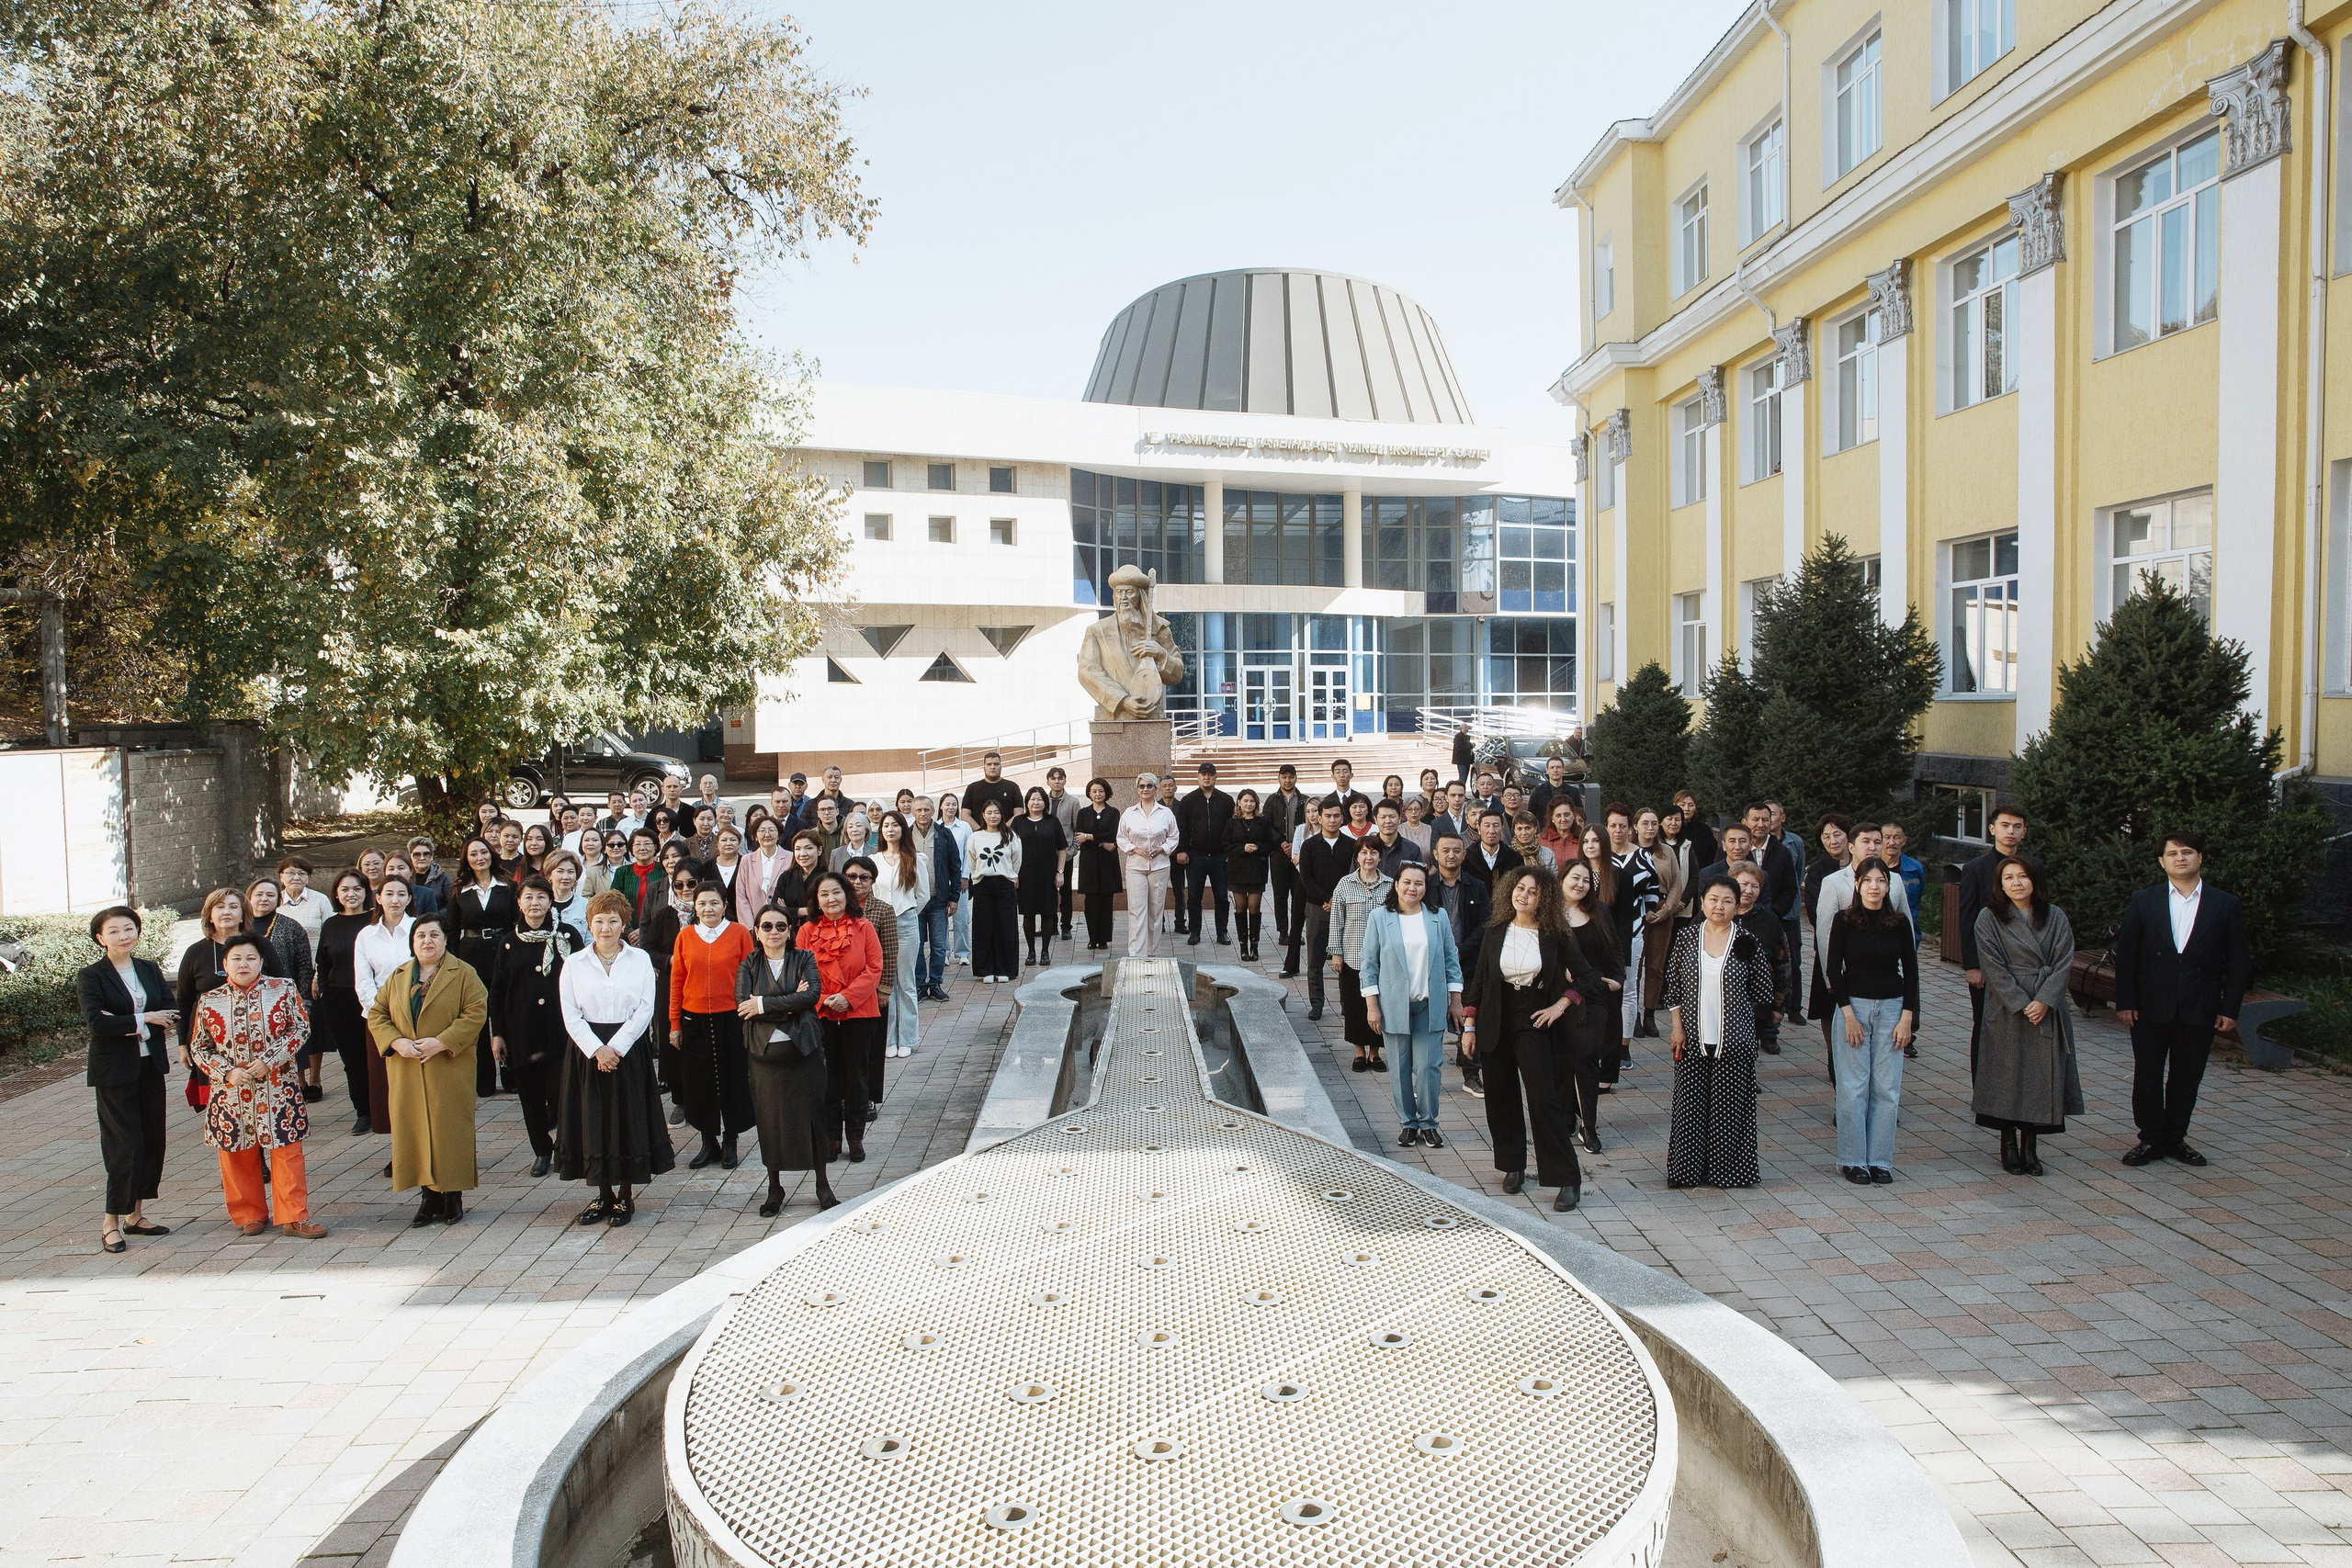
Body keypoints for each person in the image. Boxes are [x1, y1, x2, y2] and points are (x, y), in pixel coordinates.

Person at [2113, 830, 2253, 1168]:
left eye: (2187, 852)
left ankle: (2175, 1138)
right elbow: (2126, 953)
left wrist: (2229, 1008)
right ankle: (2149, 1139)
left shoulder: (2224, 904)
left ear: (2200, 858)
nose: (2180, 858)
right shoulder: (2144, 900)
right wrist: (2126, 1001)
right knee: (2147, 1074)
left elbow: (2239, 962)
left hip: (2199, 1008)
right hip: (2149, 1007)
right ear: (2161, 862)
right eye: (2172, 853)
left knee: (2186, 1076)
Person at [1460, 864, 1590, 1211]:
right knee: (1500, 1095)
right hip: (1495, 1017)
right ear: (1509, 891)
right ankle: (1513, 1165)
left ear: (1544, 897)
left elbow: (1586, 978)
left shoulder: (1555, 934)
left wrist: (1561, 1005)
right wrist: (1469, 1026)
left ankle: (1566, 1179)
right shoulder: (1495, 930)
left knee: (1543, 1100)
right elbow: (1480, 983)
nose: (1524, 895)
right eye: (1519, 888)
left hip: (1534, 1019)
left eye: (1533, 891)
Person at [190, 932, 325, 1238]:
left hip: (278, 1088)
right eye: (236, 959)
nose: (243, 964)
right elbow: (200, 1047)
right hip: (231, 1092)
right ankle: (248, 1214)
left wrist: (270, 1059)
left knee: (287, 1152)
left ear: (261, 962)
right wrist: (226, 1072)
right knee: (236, 1153)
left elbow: (300, 1028)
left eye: (251, 958)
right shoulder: (210, 1000)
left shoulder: (283, 989)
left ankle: (293, 1217)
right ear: (225, 964)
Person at [558, 890, 674, 1225]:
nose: (606, 928)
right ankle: (602, 1195)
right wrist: (597, 1049)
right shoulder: (574, 963)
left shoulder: (639, 960)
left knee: (627, 1117)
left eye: (613, 921)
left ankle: (625, 1196)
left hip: (628, 1048)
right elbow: (570, 1013)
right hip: (587, 1051)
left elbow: (644, 1010)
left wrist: (616, 1048)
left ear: (624, 924)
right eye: (599, 921)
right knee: (593, 1120)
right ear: (589, 925)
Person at [366, 912, 488, 1225]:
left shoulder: (463, 973)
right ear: (412, 941)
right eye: (421, 936)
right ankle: (427, 1197)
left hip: (448, 1065)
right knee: (414, 1130)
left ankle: (452, 1195)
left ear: (446, 939)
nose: (427, 941)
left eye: (434, 935)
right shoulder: (399, 976)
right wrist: (396, 1042)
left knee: (449, 1130)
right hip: (407, 1067)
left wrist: (443, 1041)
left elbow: (475, 1013)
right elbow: (377, 1013)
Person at [1662, 876, 1777, 1190]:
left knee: (1729, 1109)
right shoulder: (1686, 938)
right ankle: (1687, 1172)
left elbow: (1763, 990)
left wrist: (1737, 1017)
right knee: (1690, 1107)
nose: (1719, 906)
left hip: (1735, 1040)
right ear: (1702, 902)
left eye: (1727, 901)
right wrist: (1677, 1027)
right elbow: (1672, 989)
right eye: (1713, 899)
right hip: (1691, 1038)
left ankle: (1726, 1172)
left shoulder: (1746, 941)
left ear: (1737, 905)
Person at [1972, 856, 2083, 1178]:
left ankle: (2031, 1145)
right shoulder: (1989, 917)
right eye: (2009, 878)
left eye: (2022, 876)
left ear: (2035, 880)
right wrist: (2022, 1002)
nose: (2017, 883)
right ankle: (2007, 1143)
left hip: (2046, 1007)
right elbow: (1992, 966)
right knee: (2008, 1076)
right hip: (2008, 1008)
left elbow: (2064, 961)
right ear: (2000, 884)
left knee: (2039, 1077)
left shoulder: (2056, 916)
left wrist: (2045, 1000)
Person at [77, 906, 175, 1254]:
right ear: (101, 938)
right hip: (114, 1073)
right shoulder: (92, 976)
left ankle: (135, 1215)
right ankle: (110, 1223)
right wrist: (144, 1017)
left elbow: (170, 1008)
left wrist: (126, 1020)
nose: (124, 935)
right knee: (125, 1145)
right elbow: (97, 1024)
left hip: (150, 1067)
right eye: (115, 931)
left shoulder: (148, 969)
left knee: (152, 1141)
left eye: (129, 928)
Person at [736, 903, 839, 1215]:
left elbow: (811, 996)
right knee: (770, 1121)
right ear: (756, 931)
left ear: (790, 930)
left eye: (781, 926)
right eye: (767, 927)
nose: (774, 932)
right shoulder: (749, 964)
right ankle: (774, 1188)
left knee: (812, 1116)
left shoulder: (803, 957)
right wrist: (790, 1000)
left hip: (803, 1051)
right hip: (764, 1056)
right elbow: (742, 1005)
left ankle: (822, 1185)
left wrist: (764, 1004)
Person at [1824, 861, 1920, 1185]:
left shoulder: (1899, 923)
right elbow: (1833, 971)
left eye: (1881, 881)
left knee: (1887, 1088)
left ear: (1889, 886)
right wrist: (1848, 1014)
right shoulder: (1845, 920)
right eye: (1868, 881)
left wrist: (1908, 1016)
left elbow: (1912, 972)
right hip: (1854, 1009)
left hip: (1892, 1009)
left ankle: (1879, 1160)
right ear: (1857, 884)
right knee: (1853, 1087)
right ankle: (1853, 1160)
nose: (1875, 887)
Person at [1360, 863, 1464, 1148]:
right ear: (1396, 884)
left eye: (1419, 883)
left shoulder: (1437, 917)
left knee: (1428, 1066)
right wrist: (1372, 1006)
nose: (1412, 888)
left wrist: (1456, 1001)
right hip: (1393, 1005)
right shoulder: (1380, 918)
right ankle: (1408, 1123)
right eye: (1406, 882)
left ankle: (1429, 1123)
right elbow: (1369, 964)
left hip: (1429, 1005)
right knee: (1400, 1067)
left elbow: (1451, 959)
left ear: (1425, 888)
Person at [487, 874, 583, 1179]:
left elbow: (583, 980)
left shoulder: (566, 936)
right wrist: (498, 1034)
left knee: (563, 1093)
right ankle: (542, 1150)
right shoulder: (507, 943)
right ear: (519, 902)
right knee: (530, 1097)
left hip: (561, 1030)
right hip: (522, 1032)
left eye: (541, 897)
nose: (535, 903)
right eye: (528, 897)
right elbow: (498, 993)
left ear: (550, 900)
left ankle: (567, 1149)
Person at [669, 883, 756, 1170]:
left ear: (724, 905)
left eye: (714, 903)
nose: (708, 909)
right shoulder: (685, 936)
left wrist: (749, 1013)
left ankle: (731, 1141)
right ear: (694, 906)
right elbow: (677, 980)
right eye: (703, 903)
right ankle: (709, 1143)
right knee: (699, 1083)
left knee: (733, 1078)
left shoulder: (740, 933)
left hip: (731, 1017)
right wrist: (674, 1023)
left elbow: (750, 975)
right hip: (694, 1019)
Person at [798, 870, 882, 1164]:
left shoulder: (864, 927)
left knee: (857, 1078)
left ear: (847, 895)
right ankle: (831, 1137)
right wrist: (824, 999)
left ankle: (856, 1137)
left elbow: (874, 969)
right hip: (820, 1013)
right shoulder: (807, 931)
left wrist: (847, 997)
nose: (832, 898)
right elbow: (802, 974)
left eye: (836, 892)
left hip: (859, 1013)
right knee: (827, 1079)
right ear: (816, 901)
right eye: (824, 894)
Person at [175, 886, 280, 1101]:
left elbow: (280, 987)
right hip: (211, 1040)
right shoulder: (195, 952)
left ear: (243, 914)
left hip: (260, 1037)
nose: (227, 912)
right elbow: (184, 1001)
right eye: (220, 907)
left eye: (234, 907)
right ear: (209, 914)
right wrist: (182, 1045)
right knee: (220, 1100)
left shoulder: (260, 946)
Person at [1957, 804, 2033, 1072]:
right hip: (1987, 964)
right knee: (1985, 1024)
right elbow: (1966, 919)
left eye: (2016, 826)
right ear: (1992, 829)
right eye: (2004, 825)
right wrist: (1972, 965)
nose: (2010, 831)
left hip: (2025, 964)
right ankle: (1982, 1089)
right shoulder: (1976, 868)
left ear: (2024, 832)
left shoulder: (2032, 868)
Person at [1558, 860, 1623, 1153]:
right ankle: (1566, 1118)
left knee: (1586, 1055)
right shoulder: (1551, 914)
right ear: (1562, 879)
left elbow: (1616, 947)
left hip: (1596, 992)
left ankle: (1589, 1125)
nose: (1580, 885)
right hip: (1559, 995)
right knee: (1563, 1057)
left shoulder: (1600, 911)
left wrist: (1617, 980)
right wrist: (1561, 972)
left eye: (1586, 880)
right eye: (1575, 878)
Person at [449, 835, 518, 1098]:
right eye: (473, 854)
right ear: (467, 860)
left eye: (484, 852)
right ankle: (484, 1082)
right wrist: (454, 965)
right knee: (477, 1018)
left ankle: (511, 1077)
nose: (480, 858)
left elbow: (515, 923)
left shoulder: (508, 886)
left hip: (502, 953)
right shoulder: (459, 890)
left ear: (492, 854)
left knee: (504, 1012)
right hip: (471, 958)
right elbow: (452, 932)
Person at [1425, 833, 1491, 1098]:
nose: (1451, 855)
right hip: (1431, 964)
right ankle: (1427, 1074)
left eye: (1457, 850)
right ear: (1435, 854)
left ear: (1464, 855)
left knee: (1470, 1019)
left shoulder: (1477, 886)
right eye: (1446, 850)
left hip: (1468, 963)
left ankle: (1471, 1074)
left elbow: (1485, 923)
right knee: (1431, 1021)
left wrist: (1459, 952)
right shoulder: (1425, 886)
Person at [314, 869, 377, 1134]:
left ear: (366, 892)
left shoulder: (376, 921)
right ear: (336, 894)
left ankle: (384, 1108)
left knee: (376, 1056)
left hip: (375, 998)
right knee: (352, 1059)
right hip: (340, 999)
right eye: (345, 890)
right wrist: (327, 994)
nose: (351, 894)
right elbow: (323, 961)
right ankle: (363, 1112)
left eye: (356, 889)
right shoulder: (331, 924)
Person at [245, 876, 320, 1100]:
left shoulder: (290, 927)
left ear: (279, 899)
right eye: (259, 894)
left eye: (270, 895)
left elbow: (305, 966)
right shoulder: (241, 928)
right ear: (248, 898)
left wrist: (304, 1000)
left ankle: (297, 1089)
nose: (264, 899)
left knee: (287, 1052)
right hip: (247, 1001)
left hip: (281, 1000)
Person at [1328, 837, 1394, 1074]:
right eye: (1364, 853)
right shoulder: (1345, 884)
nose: (1369, 857)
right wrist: (1336, 952)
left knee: (1379, 1005)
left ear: (1379, 856)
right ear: (1357, 857)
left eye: (1374, 853)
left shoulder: (1390, 885)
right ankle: (1359, 1051)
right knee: (1355, 1004)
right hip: (1353, 956)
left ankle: (1375, 1052)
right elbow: (1336, 921)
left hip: (1383, 959)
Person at [870, 810, 929, 1055]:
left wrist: (908, 914)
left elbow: (923, 895)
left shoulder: (915, 859)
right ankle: (888, 1039)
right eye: (886, 825)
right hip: (880, 925)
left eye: (895, 825)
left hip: (905, 922)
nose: (890, 829)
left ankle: (907, 1038)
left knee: (905, 982)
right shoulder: (874, 860)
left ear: (903, 829)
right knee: (885, 983)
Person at [1114, 773, 1180, 961]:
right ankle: (1136, 953)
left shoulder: (1166, 813)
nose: (1145, 789)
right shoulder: (1129, 813)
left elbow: (1174, 836)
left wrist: (1162, 849)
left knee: (1156, 910)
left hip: (1159, 865)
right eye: (1141, 786)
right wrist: (1134, 848)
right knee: (1136, 910)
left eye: (1150, 786)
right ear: (1137, 789)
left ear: (1156, 788)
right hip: (1136, 865)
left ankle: (1152, 952)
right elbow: (1121, 837)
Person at [1297, 800, 1352, 1021]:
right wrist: (1328, 899)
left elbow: (1353, 875)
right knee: (1315, 958)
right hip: (1317, 907)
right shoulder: (1309, 846)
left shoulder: (1351, 845)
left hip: (1347, 908)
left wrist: (1339, 900)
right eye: (1327, 816)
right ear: (1319, 818)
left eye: (1336, 816)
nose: (1332, 820)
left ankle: (1347, 1004)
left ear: (1342, 818)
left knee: (1347, 959)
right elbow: (1306, 879)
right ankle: (1317, 1003)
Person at [1174, 761, 1235, 947]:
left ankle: (1222, 932)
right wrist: (1182, 850)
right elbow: (1181, 827)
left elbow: (1232, 828)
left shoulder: (1226, 800)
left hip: (1220, 856)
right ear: (1198, 777)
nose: (1207, 777)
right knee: (1194, 897)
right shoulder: (1188, 800)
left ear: (1215, 777)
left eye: (1210, 774)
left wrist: (1230, 851)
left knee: (1222, 897)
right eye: (1203, 774)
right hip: (1196, 856)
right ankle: (1194, 932)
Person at [1634, 807, 1682, 1038]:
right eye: (1645, 823)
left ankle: (1650, 1014)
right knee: (1634, 966)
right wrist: (1642, 911)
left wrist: (1666, 910)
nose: (1650, 828)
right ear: (1635, 826)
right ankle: (1632, 1015)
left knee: (1655, 966)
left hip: (1662, 913)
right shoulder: (1629, 851)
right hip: (1636, 913)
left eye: (1654, 823)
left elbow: (1676, 884)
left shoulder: (1666, 851)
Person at [964, 797, 1023, 981]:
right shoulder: (976, 837)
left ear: (1002, 815)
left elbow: (1016, 860)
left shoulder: (1011, 836)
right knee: (983, 927)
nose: (993, 816)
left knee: (1006, 927)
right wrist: (977, 877)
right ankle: (985, 969)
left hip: (1005, 883)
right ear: (982, 815)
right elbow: (972, 860)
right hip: (983, 884)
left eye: (996, 812)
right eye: (989, 812)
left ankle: (1005, 969)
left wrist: (1011, 875)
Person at [1012, 785, 1069, 967]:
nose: (1036, 803)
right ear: (1027, 802)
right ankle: (1031, 951)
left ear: (1045, 803)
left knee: (1047, 912)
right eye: (1032, 799)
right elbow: (1010, 849)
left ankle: (1045, 951)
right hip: (1024, 875)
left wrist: (1060, 872)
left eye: (1040, 799)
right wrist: (1013, 874)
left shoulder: (1052, 822)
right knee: (1028, 914)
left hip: (1048, 874)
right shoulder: (1018, 822)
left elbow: (1062, 848)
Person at [1261, 763, 1308, 969]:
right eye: (1284, 777)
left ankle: (1297, 932)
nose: (1287, 781)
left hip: (1300, 855)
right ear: (1278, 778)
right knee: (1280, 894)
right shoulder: (1272, 800)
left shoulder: (1305, 800)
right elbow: (1267, 825)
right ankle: (1283, 931)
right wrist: (1281, 843)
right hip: (1279, 854)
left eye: (1291, 777)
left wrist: (1297, 847)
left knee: (1299, 895)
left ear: (1296, 778)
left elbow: (1310, 824)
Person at [1072, 778, 1121, 953]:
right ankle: (1093, 938)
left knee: (1106, 901)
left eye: (1101, 791)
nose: (1098, 794)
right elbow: (1080, 838)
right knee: (1091, 902)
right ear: (1089, 793)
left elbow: (1112, 834)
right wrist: (1101, 843)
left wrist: (1090, 836)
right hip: (1089, 862)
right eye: (1094, 791)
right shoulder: (1083, 813)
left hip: (1108, 863)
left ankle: (1104, 939)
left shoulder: (1114, 812)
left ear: (1106, 792)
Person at [1225, 789, 1271, 961]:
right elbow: (1226, 845)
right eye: (1245, 801)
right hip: (1237, 870)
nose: (1249, 804)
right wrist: (1242, 848)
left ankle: (1255, 946)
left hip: (1257, 870)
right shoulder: (1232, 823)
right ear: (1239, 803)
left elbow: (1269, 844)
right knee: (1240, 907)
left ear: (1256, 803)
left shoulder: (1263, 821)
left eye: (1252, 801)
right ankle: (1243, 946)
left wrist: (1258, 848)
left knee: (1254, 907)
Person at [1042, 766, 1081, 942]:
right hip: (1045, 856)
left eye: (1060, 778)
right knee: (1047, 892)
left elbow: (1077, 829)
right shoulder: (1042, 800)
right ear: (1048, 781)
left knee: (1065, 892)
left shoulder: (1073, 802)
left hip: (1065, 855)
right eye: (1053, 778)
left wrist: (1071, 851)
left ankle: (1066, 926)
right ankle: (1050, 926)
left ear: (1065, 780)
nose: (1057, 781)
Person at [940, 792, 975, 966]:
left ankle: (962, 952)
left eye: (954, 804)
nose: (950, 808)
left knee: (961, 917)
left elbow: (968, 854)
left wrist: (965, 876)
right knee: (941, 917)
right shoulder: (936, 826)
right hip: (940, 880)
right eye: (947, 804)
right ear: (941, 806)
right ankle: (944, 952)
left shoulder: (964, 827)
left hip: (959, 879)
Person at [277, 857, 333, 956]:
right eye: (291, 873)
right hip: (280, 964)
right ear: (281, 877)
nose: (296, 878)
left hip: (314, 964)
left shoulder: (320, 900)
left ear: (308, 878)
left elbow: (331, 934)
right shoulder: (274, 900)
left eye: (302, 873)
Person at [961, 750, 1025, 834]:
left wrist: (1003, 830)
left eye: (996, 764)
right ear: (984, 766)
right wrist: (981, 832)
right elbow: (965, 815)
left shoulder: (1013, 787)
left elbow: (1019, 814)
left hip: (1006, 836)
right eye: (989, 764)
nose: (993, 767)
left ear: (1001, 766)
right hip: (979, 838)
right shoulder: (972, 788)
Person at [776, 830, 825, 925]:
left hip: (819, 929)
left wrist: (788, 911)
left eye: (809, 848)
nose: (802, 854)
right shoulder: (786, 877)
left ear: (819, 850)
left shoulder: (826, 878)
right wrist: (805, 911)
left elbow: (825, 909)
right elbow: (776, 907)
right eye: (798, 849)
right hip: (790, 932)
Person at [1452, 722, 1476, 787]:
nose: (1466, 729)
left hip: (1467, 760)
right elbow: (1460, 748)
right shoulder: (1458, 736)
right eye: (1465, 728)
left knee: (1465, 778)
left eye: (1467, 728)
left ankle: (1463, 792)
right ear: (1461, 728)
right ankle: (1460, 791)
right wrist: (1471, 745)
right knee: (1462, 777)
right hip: (1461, 760)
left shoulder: (1467, 737)